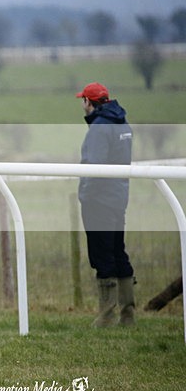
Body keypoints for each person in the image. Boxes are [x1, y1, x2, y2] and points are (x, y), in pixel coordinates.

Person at [76, 82, 135, 327]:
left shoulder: (100, 128)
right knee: (117, 251)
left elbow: (94, 167)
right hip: (118, 197)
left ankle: (107, 315)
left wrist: (85, 194)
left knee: (102, 255)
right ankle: (128, 314)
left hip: (99, 199)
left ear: (89, 102)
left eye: (83, 101)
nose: (83, 105)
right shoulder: (123, 124)